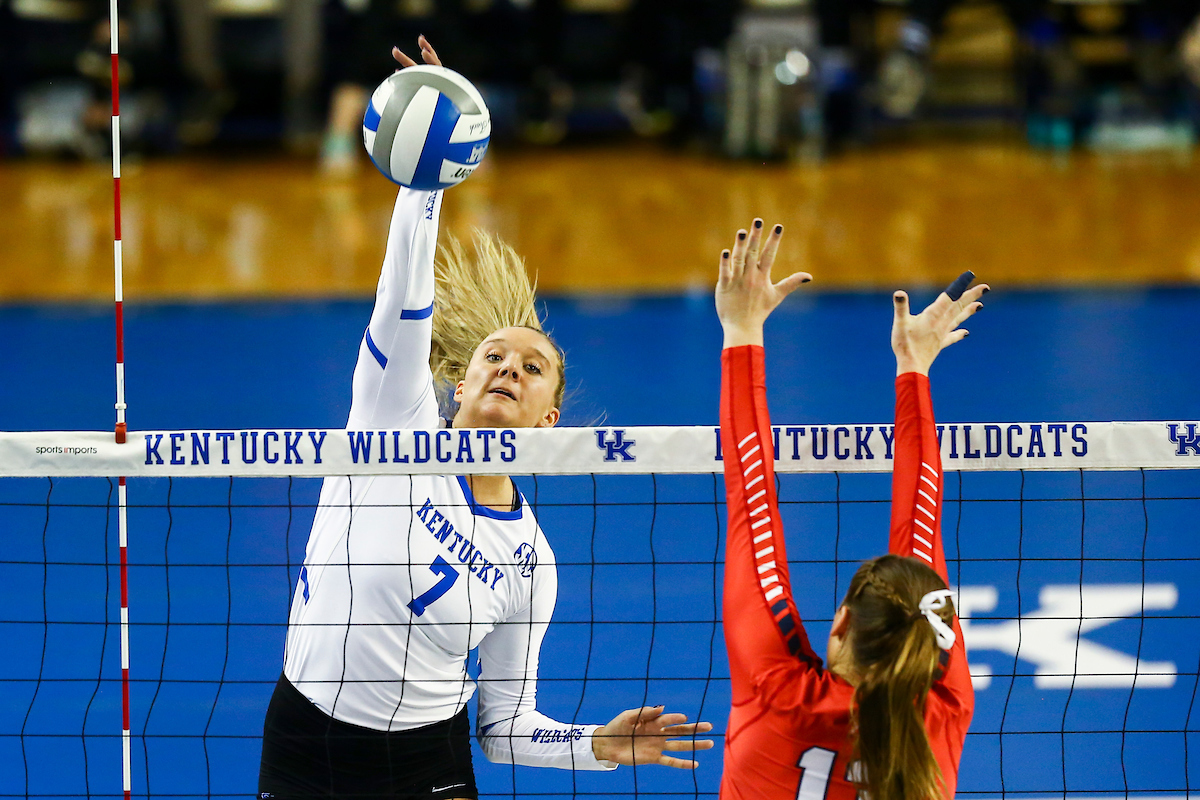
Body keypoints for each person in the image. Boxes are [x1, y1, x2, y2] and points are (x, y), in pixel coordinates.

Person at [259, 36, 713, 800]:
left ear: (548, 419)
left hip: (431, 769)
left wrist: (595, 743)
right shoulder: (392, 425)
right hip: (310, 746)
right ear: (456, 383)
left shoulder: (531, 562)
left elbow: (505, 729)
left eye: (531, 368)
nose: (509, 369)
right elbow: (403, 298)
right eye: (494, 359)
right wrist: (422, 184)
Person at [714, 218, 983, 800]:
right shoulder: (941, 713)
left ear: (840, 624)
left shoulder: (777, 690)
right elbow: (922, 553)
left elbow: (751, 504)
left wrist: (742, 329)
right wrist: (915, 367)